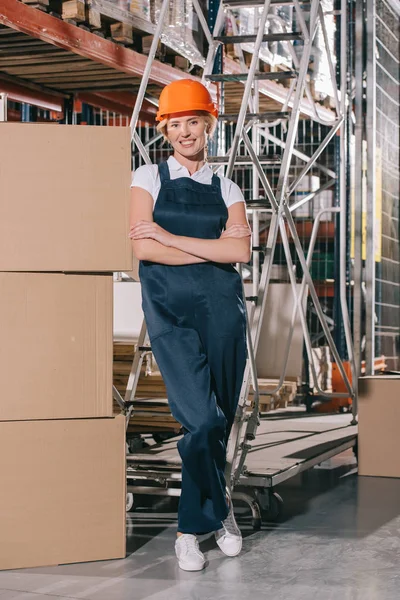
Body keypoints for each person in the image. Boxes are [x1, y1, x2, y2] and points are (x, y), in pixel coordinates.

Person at [129, 79, 251, 572]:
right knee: (200, 420)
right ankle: (209, 519)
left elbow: (239, 252)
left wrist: (169, 235)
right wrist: (207, 247)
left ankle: (200, 524)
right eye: (174, 123)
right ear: (165, 130)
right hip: (171, 315)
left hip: (224, 313)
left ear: (208, 125)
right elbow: (143, 249)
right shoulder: (146, 177)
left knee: (219, 421)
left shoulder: (229, 187)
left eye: (192, 121)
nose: (184, 131)